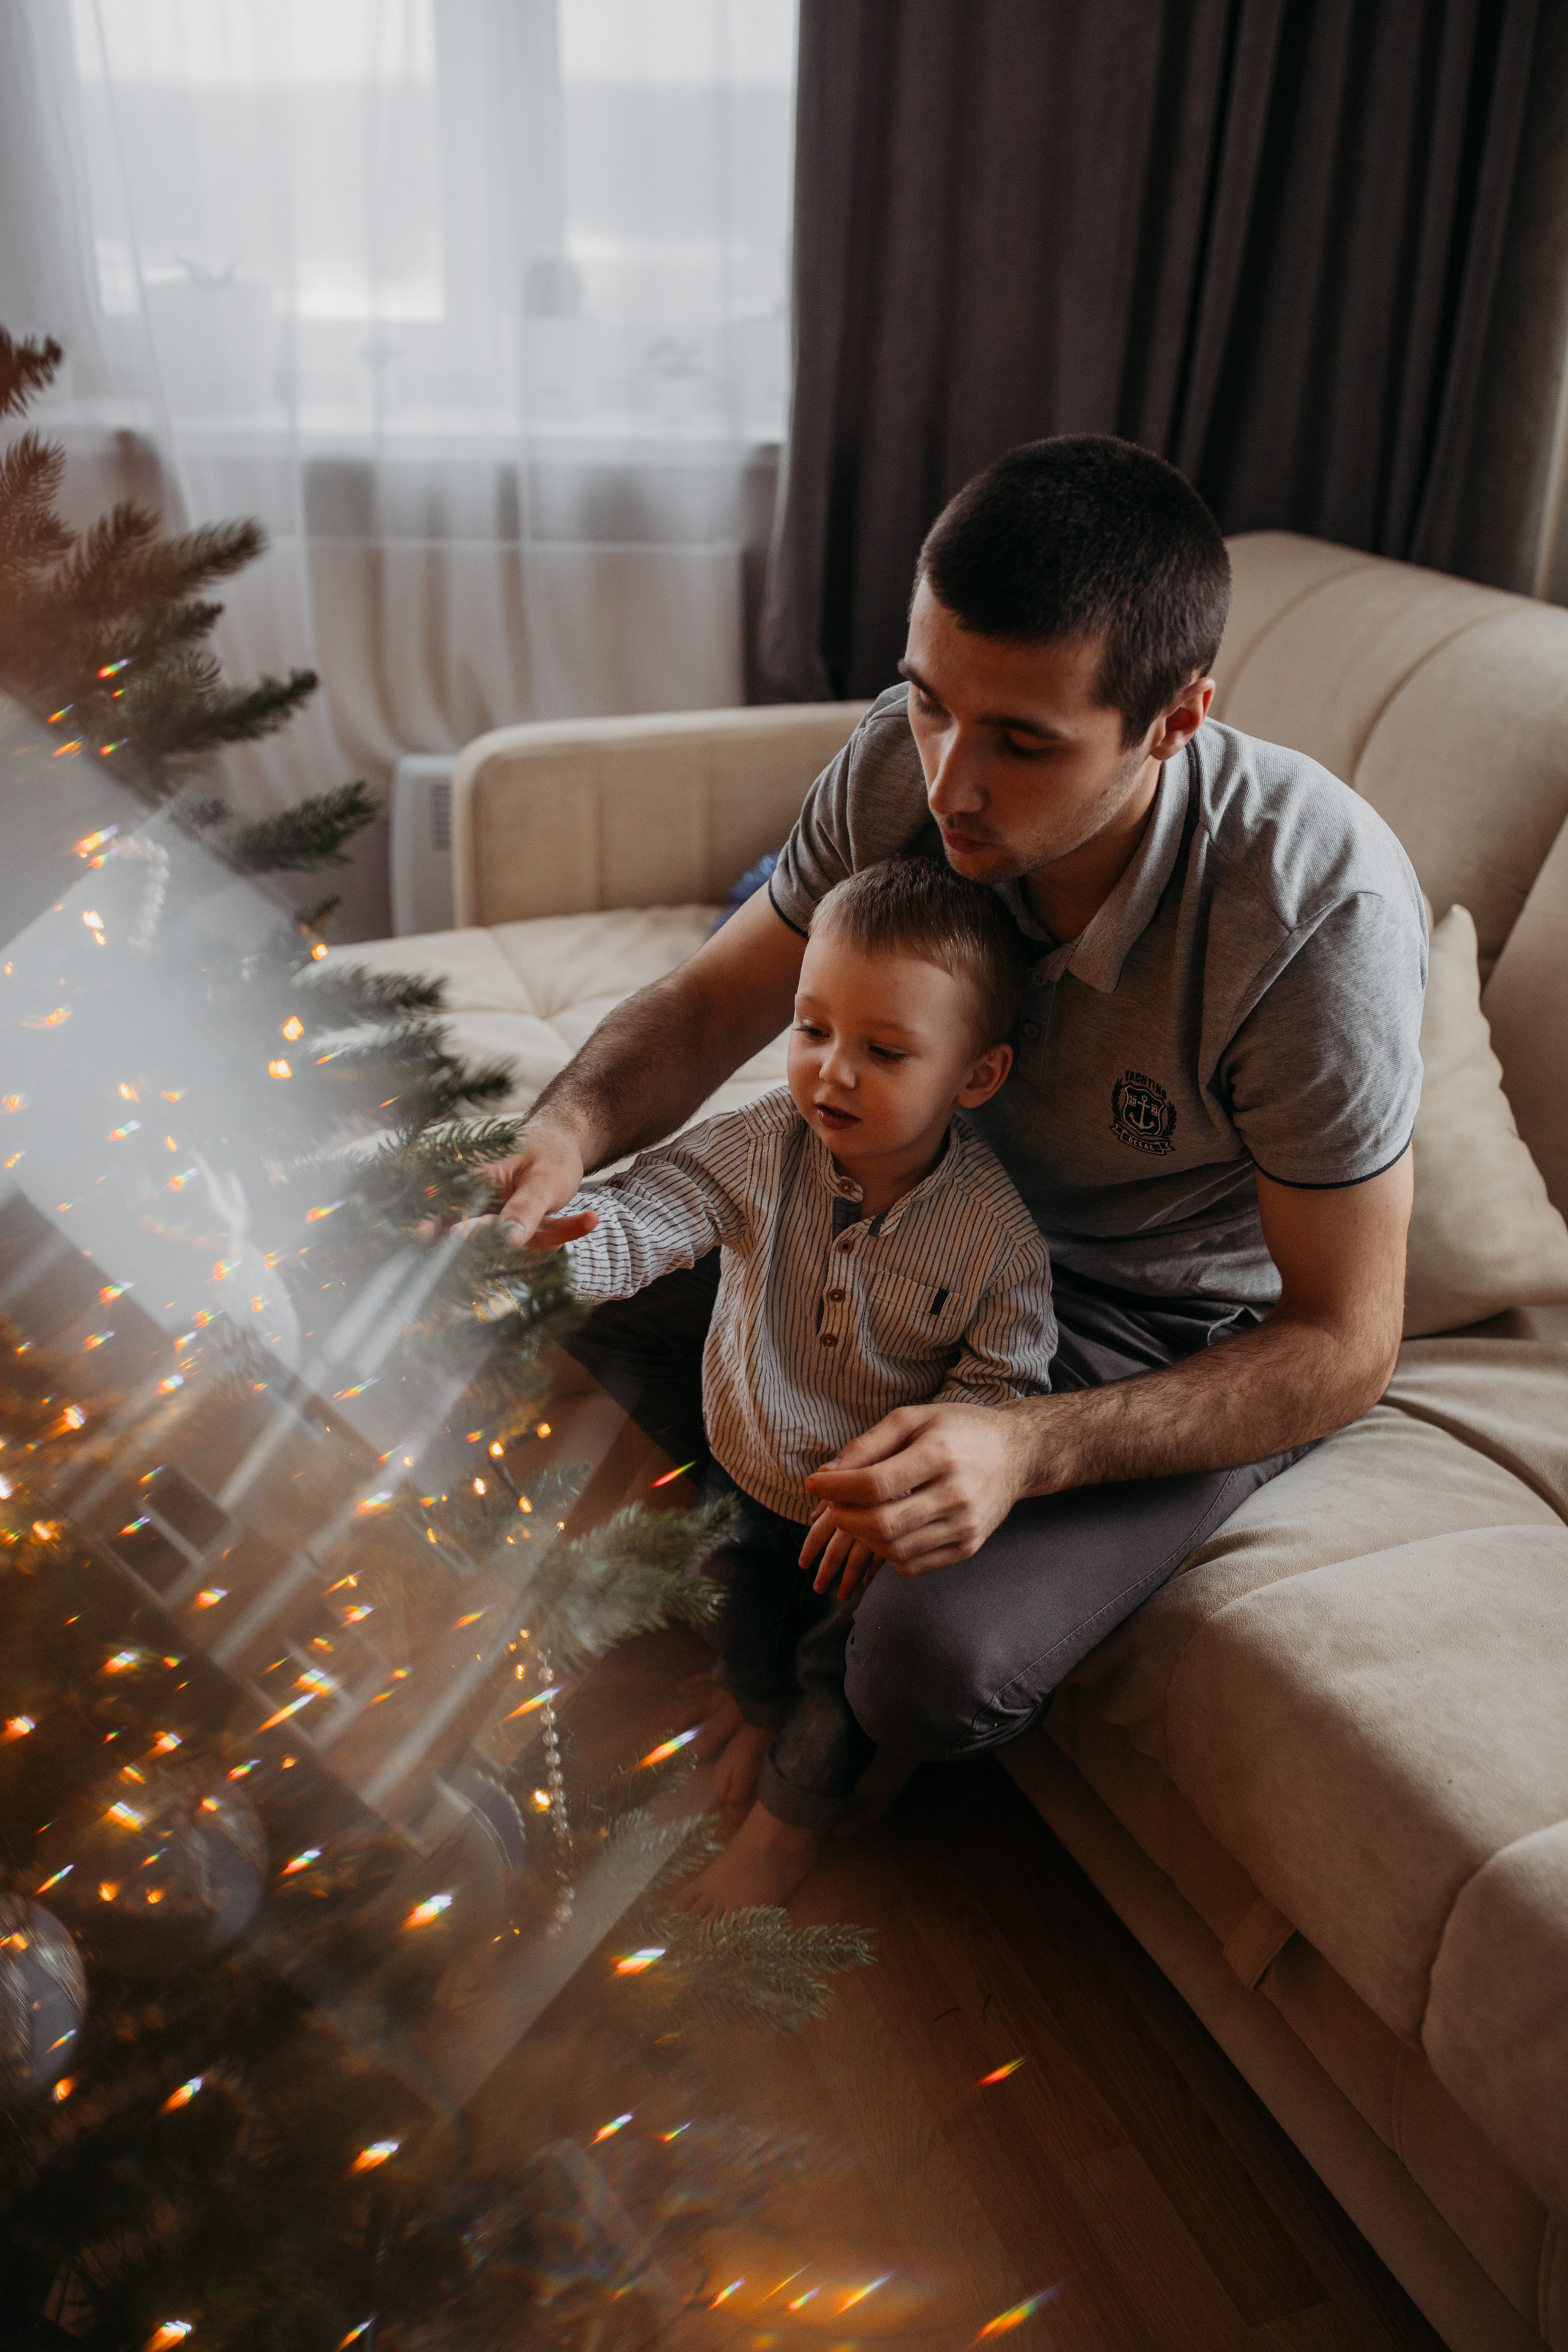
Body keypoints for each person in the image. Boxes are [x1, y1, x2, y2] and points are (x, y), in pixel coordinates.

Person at [491, 433, 1427, 1835]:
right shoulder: (901, 758)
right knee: (516, 1305)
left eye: (1020, 743)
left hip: (1147, 1325)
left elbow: (1343, 1340)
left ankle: (815, 1757)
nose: (948, 784)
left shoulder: (1313, 913)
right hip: (891, 1201)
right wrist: (561, 1135)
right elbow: (710, 1003)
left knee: (928, 1669)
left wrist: (1023, 1448)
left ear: (1174, 719)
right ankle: (722, 1644)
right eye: (931, 704)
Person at [530, 858, 1055, 1912]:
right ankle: (748, 1710)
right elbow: (654, 1211)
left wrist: (918, 1472)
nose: (832, 1074)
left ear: (976, 1076)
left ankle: (788, 1822)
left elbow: (1004, 1385)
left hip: (862, 1526)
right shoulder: (768, 1141)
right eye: (813, 1030)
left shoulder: (997, 1240)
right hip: (747, 1459)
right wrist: (542, 1257)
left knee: (833, 1679)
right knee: (742, 1616)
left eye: (884, 1051)